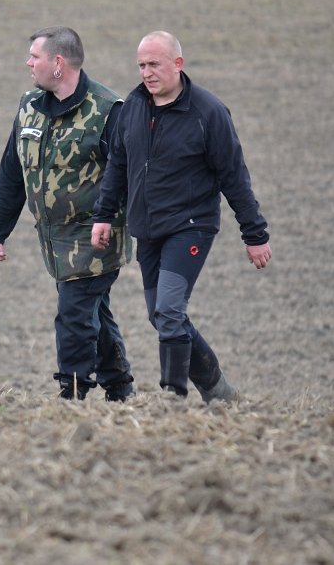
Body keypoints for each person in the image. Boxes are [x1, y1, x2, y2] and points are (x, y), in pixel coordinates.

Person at [92, 31, 272, 403]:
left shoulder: (209, 112)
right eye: (141, 65)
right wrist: (103, 215)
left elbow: (234, 176)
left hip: (191, 227)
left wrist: (254, 235)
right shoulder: (132, 108)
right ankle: (220, 392)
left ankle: (173, 398)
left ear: (178, 64)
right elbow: (117, 165)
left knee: (170, 310)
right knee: (160, 316)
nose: (147, 72)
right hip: (148, 230)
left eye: (154, 64)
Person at [0, 27, 135, 402]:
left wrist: (125, 224)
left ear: (58, 63)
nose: (28, 63)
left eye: (34, 57)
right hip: (54, 237)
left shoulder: (108, 111)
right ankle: (119, 385)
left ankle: (73, 392)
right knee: (92, 310)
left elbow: (130, 176)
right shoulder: (30, 106)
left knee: (74, 312)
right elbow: (13, 171)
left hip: (95, 235)